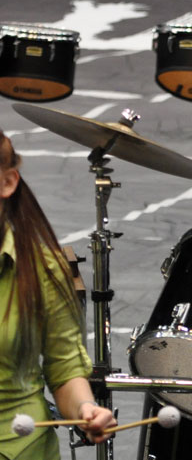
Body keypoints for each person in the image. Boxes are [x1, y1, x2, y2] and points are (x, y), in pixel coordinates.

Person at [0, 130, 116, 459]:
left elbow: (64, 369)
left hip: (18, 448)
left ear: (8, 183)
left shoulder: (42, 268)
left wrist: (85, 409)